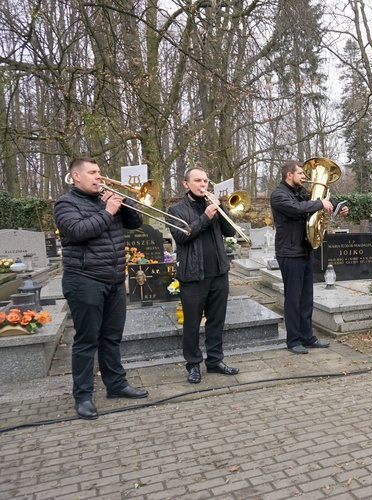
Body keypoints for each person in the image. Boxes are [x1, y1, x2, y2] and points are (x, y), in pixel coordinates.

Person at [54, 157, 149, 420]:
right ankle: (83, 397)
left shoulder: (106, 199)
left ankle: (116, 385)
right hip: (84, 279)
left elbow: (136, 223)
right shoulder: (66, 203)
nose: (100, 177)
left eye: (100, 172)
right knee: (86, 341)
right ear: (76, 176)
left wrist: (123, 202)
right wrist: (107, 211)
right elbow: (77, 232)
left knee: (112, 337)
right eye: (93, 173)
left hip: (114, 279)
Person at [167, 167, 240, 384]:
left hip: (218, 272)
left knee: (216, 321)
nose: (202, 185)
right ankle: (193, 365)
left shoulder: (213, 206)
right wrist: (206, 217)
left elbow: (230, 232)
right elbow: (181, 236)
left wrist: (221, 209)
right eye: (197, 181)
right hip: (192, 275)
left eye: (205, 181)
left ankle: (215, 360)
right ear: (186, 184)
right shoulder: (176, 209)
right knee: (192, 323)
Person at [270, 160, 349, 354]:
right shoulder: (279, 195)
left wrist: (338, 207)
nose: (304, 176)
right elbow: (297, 208)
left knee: (306, 298)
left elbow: (320, 198)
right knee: (293, 298)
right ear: (289, 175)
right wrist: (319, 203)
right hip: (289, 253)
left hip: (304, 249)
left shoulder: (301, 192)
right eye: (300, 173)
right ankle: (293, 340)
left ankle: (307, 337)